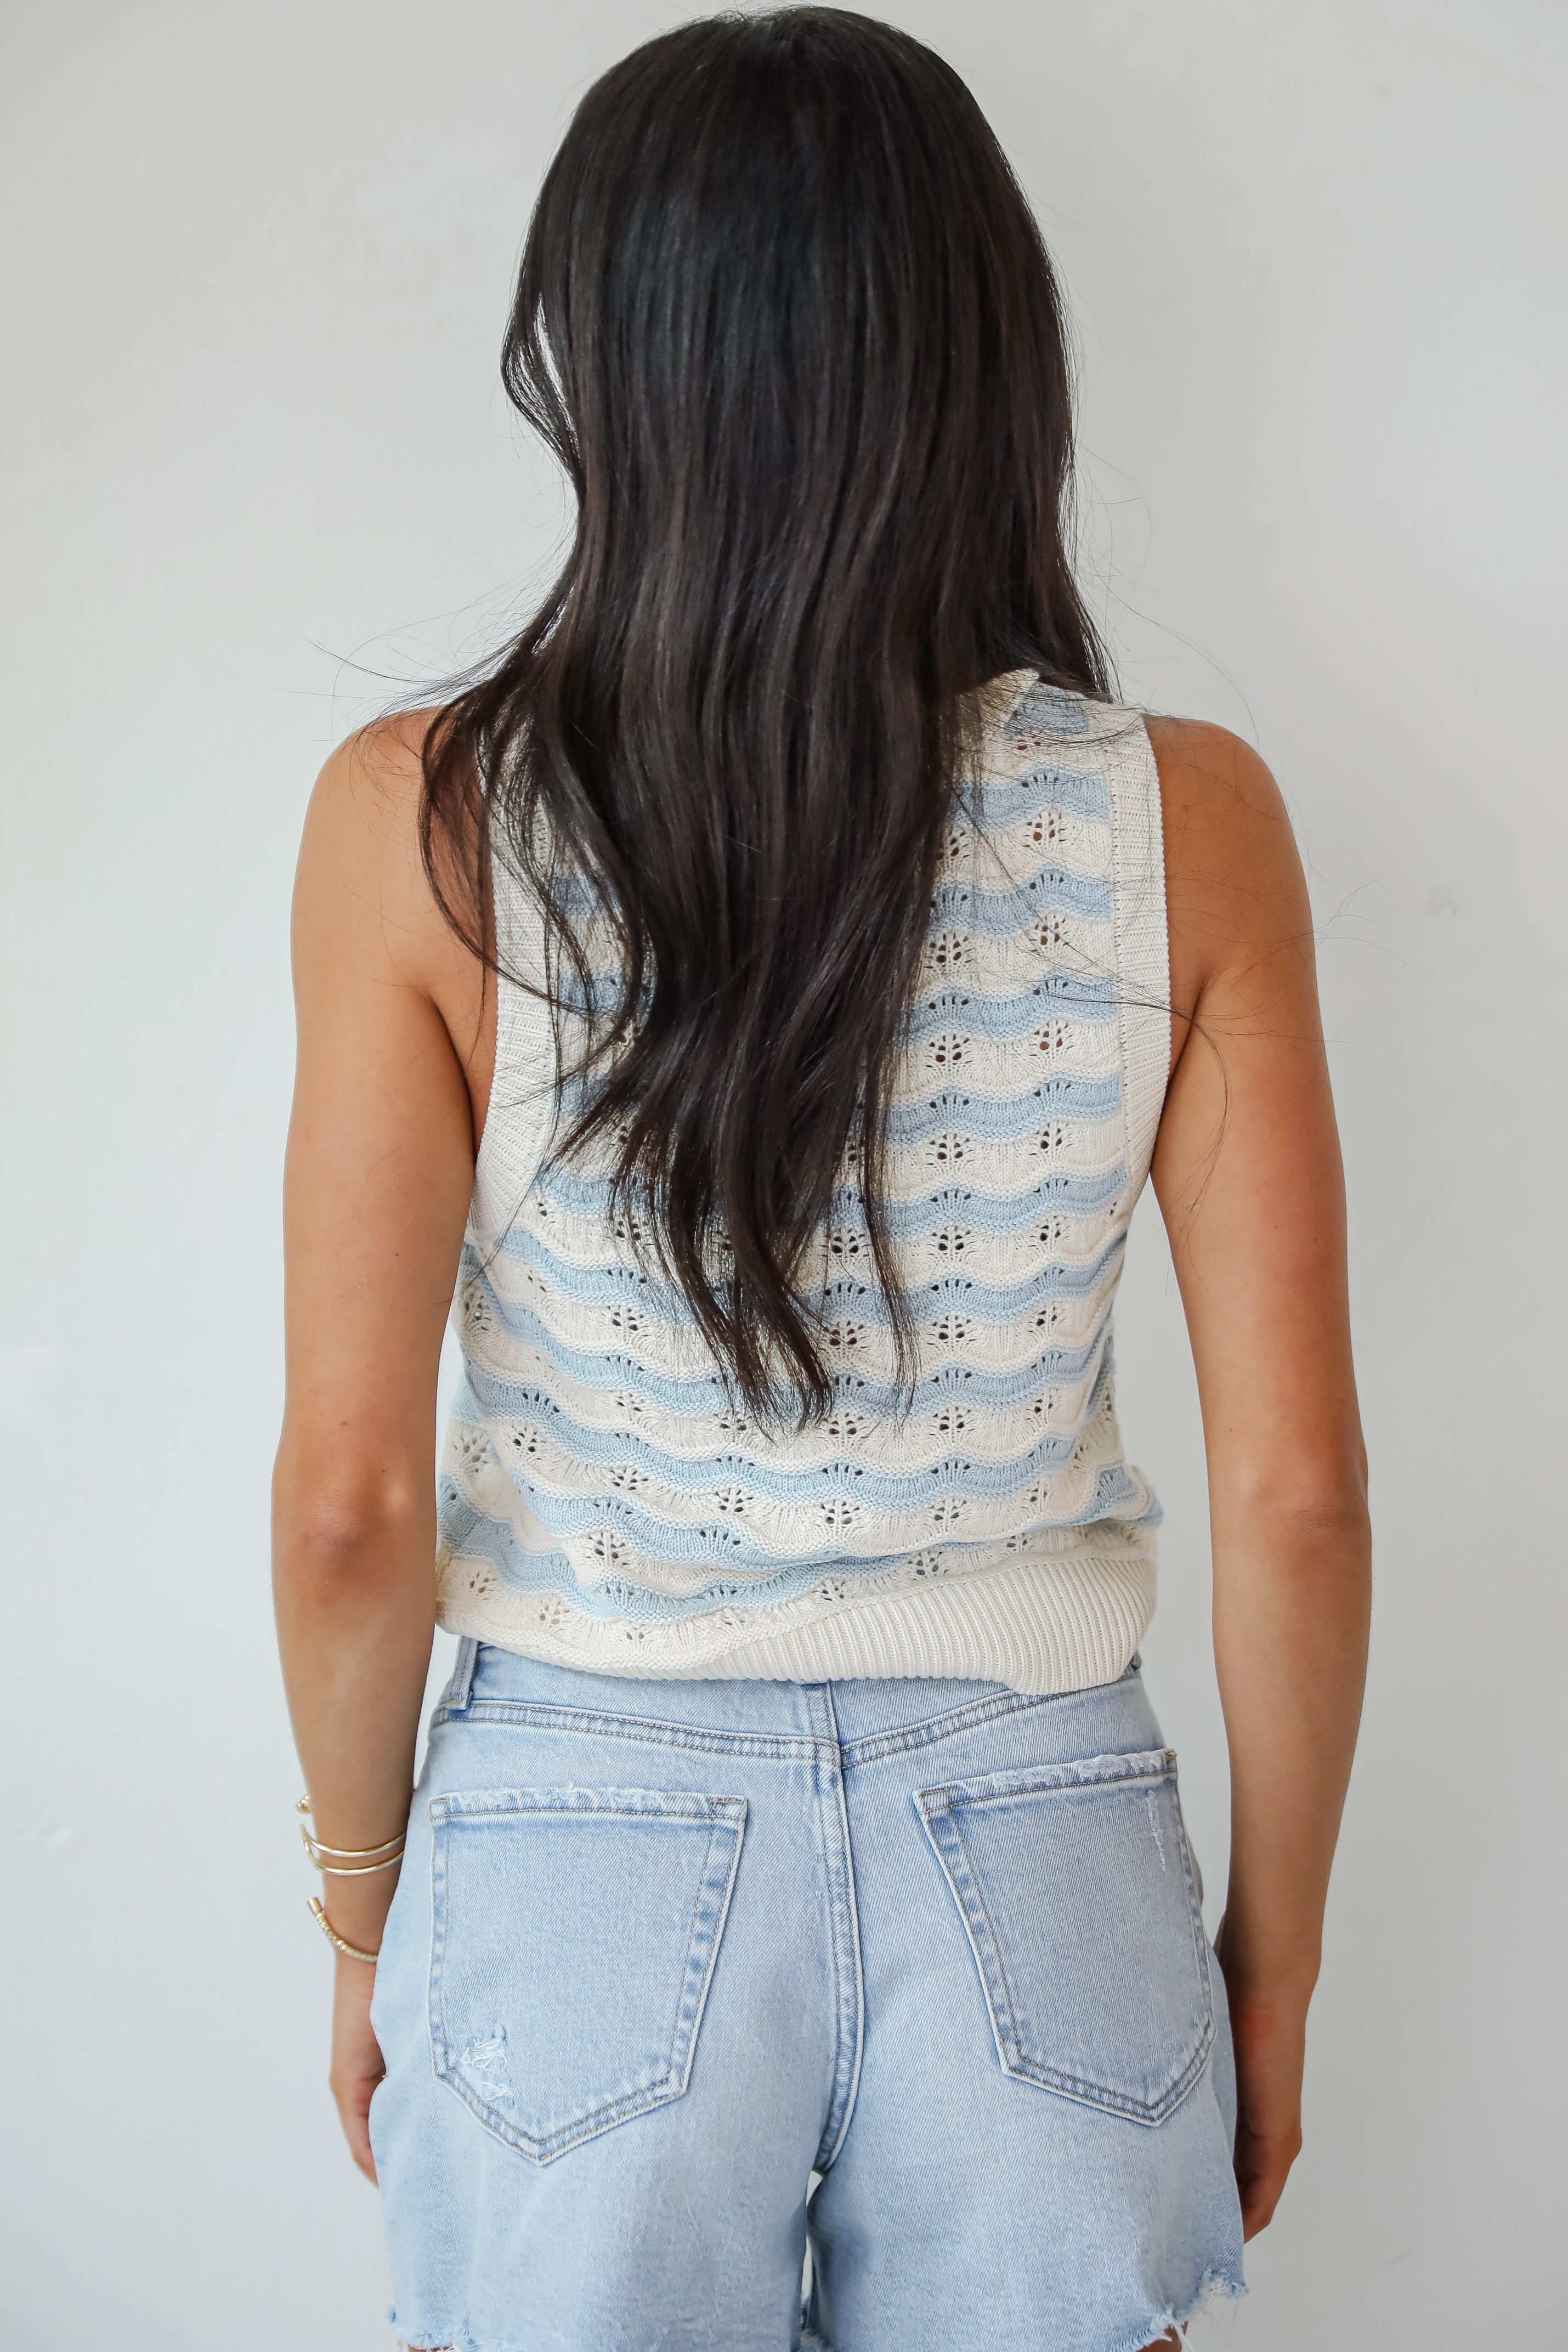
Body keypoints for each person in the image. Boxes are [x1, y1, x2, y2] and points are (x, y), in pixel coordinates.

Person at [272, 12, 1370, 2348]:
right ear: (984, 348)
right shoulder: (1194, 821)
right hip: (1047, 1838)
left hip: (577, 1825)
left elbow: (351, 1498)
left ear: (607, 361)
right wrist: (1274, 1961)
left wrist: (369, 1909)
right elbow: (1293, 1496)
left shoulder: (429, 823)